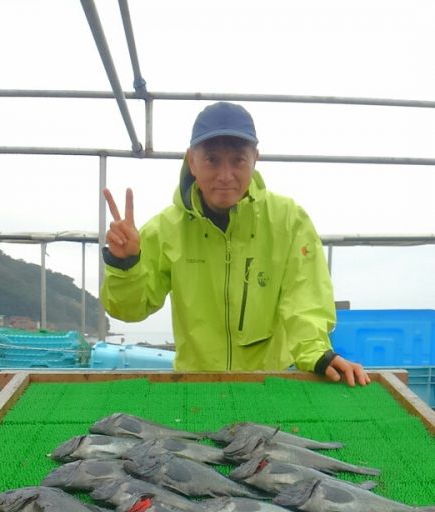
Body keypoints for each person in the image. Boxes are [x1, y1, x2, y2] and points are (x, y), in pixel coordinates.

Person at [100, 101, 369, 386]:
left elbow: (305, 299)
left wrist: (317, 353)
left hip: (269, 383)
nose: (225, 176)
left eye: (238, 160)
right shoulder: (166, 229)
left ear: (255, 159)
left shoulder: (289, 220)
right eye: (212, 160)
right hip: (194, 385)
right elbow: (129, 309)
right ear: (192, 161)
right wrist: (125, 263)